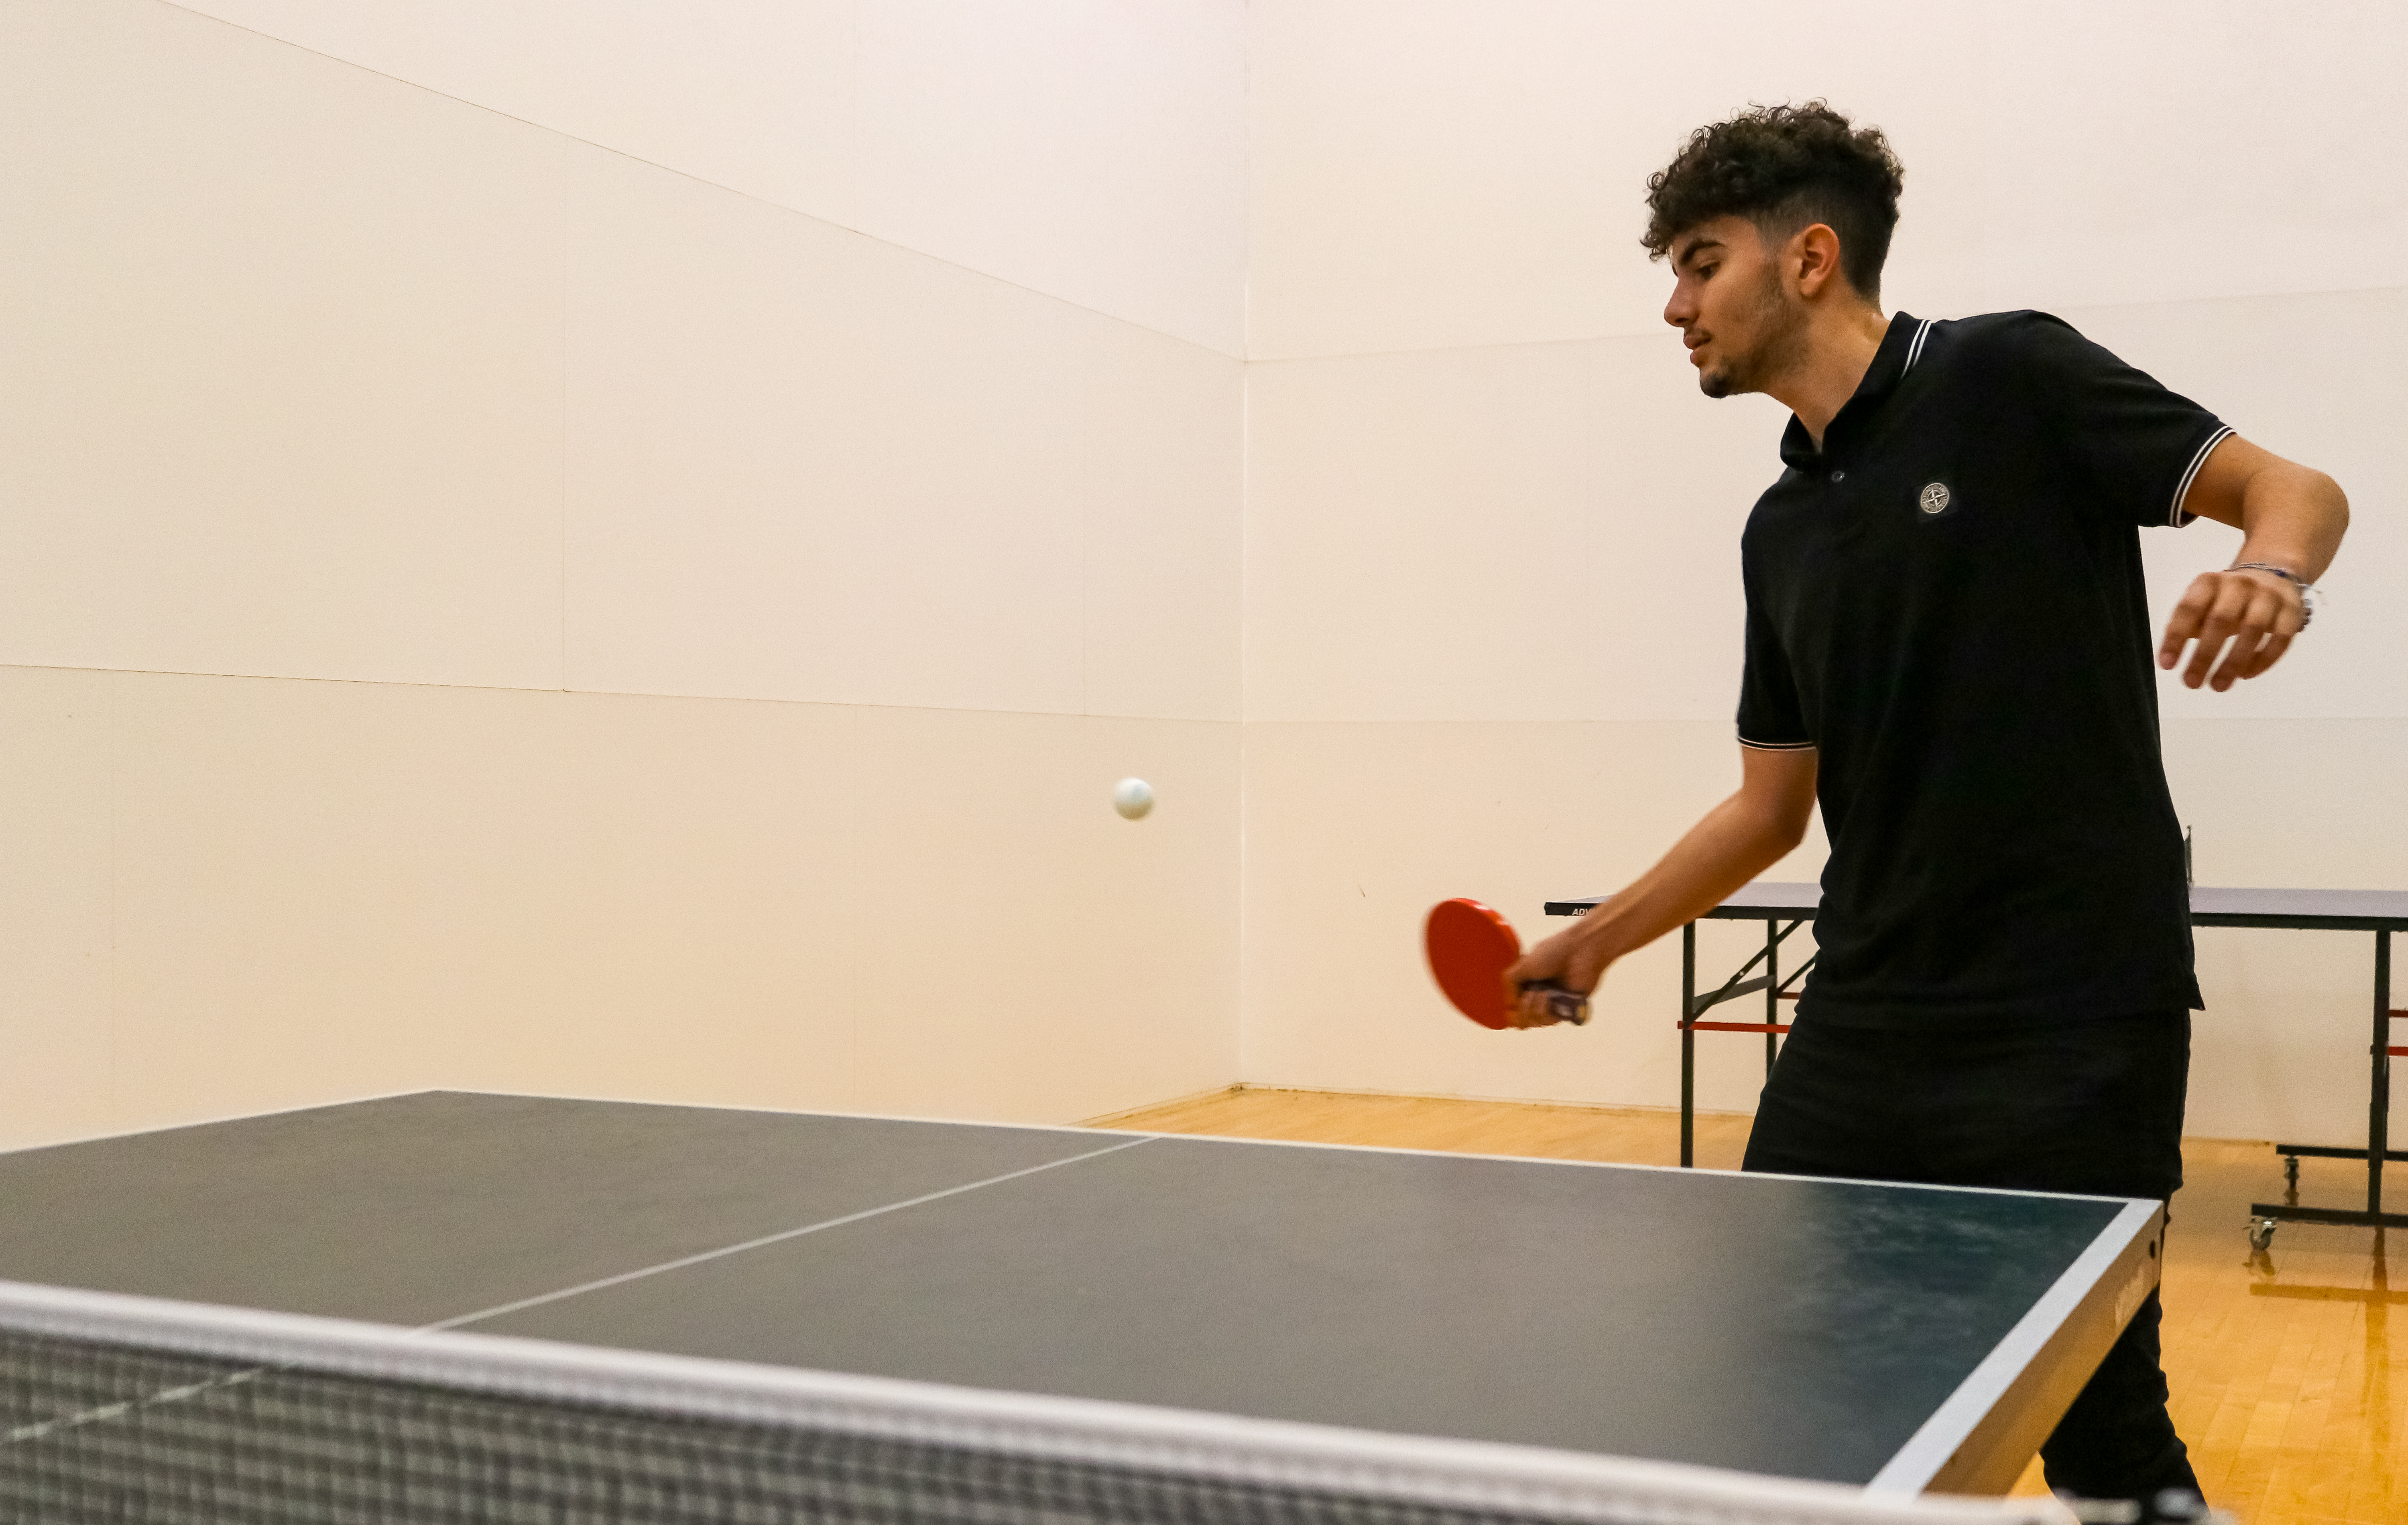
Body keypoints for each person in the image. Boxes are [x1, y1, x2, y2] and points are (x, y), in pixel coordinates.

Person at [1504, 102, 2348, 1520]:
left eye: (1701, 262)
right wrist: (1598, 940)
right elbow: (1775, 810)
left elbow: (2292, 486)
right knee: (1792, 1389)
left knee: (2097, 1424)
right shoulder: (1783, 526)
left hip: (2074, 1018)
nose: (1674, 303)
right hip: (1870, 1019)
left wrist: (2272, 570)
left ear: (1811, 258)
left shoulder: (2010, 375)